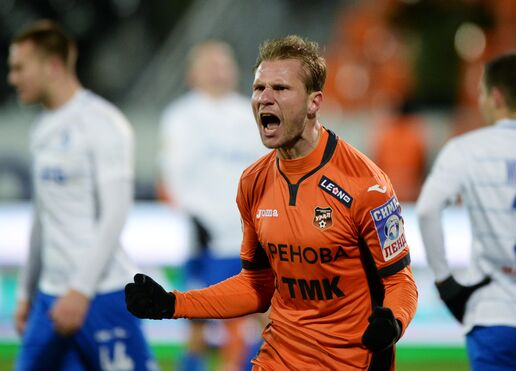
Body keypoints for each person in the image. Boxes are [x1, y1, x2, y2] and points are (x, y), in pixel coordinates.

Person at [127, 35, 418, 370]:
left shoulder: (366, 184)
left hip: (350, 362)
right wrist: (171, 304)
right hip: (278, 359)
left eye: (280, 89)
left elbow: (400, 281)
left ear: (314, 102)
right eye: (258, 88)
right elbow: (257, 285)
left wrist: (393, 322)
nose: (264, 99)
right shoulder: (253, 182)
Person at [8, 20, 157, 371]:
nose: (12, 78)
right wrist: (26, 293)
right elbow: (42, 220)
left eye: (19, 68)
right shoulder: (42, 128)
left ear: (53, 66)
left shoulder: (103, 123)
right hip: (49, 298)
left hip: (100, 295)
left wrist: (80, 290)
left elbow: (115, 214)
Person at [416, 51, 516, 370]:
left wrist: (445, 282)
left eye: (480, 92)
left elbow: (427, 209)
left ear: (497, 96)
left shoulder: (468, 149)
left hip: (497, 317)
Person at [157, 40, 267, 371]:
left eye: (224, 63)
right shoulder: (179, 117)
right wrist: (192, 219)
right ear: (192, 74)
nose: (218, 71)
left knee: (267, 318)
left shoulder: (253, 112)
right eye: (210, 64)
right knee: (198, 324)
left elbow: (267, 172)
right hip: (202, 238)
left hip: (248, 236)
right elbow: (170, 178)